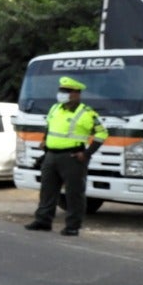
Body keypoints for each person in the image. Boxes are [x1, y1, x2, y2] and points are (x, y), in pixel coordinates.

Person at [24, 75, 109, 237]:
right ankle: (43, 221)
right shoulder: (55, 108)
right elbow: (49, 126)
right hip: (50, 155)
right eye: (61, 90)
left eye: (66, 91)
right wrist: (44, 140)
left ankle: (72, 226)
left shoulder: (87, 113)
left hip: (72, 158)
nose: (61, 93)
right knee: (47, 191)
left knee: (74, 193)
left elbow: (102, 133)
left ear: (76, 93)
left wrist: (87, 153)